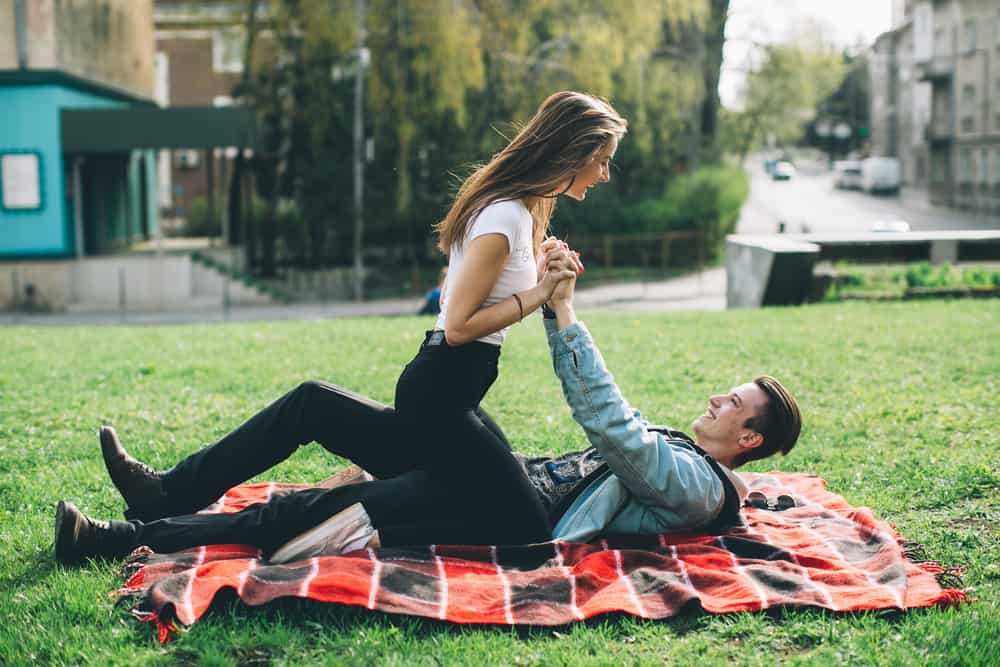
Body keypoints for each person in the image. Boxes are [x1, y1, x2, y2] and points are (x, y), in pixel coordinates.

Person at [54, 269, 801, 565]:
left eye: (732, 402)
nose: (716, 398)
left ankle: (118, 537)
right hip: (497, 486)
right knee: (318, 409)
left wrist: (560, 309)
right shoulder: (684, 453)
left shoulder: (705, 489)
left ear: (750, 439)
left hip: (523, 518)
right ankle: (154, 507)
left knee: (428, 414)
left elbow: (614, 431)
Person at [390, 90, 626, 547]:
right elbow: (458, 327)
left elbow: (494, 289)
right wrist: (539, 293)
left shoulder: (524, 208)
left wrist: (541, 267)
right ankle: (365, 528)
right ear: (575, 152)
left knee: (510, 498)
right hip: (439, 393)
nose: (605, 175)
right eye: (602, 161)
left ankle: (373, 506)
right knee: (525, 530)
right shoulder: (506, 215)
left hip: (455, 390)